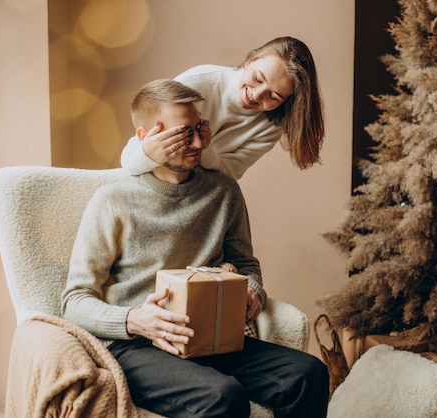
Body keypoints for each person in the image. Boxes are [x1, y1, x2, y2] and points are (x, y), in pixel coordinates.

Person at [62, 78, 329, 418]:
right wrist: (135, 320)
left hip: (207, 338)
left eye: (200, 129)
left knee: (308, 374)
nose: (197, 142)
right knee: (222, 397)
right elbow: (74, 300)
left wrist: (253, 292)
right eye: (182, 133)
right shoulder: (113, 200)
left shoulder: (223, 192)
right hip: (136, 345)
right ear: (146, 138)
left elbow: (246, 264)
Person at [120, 36, 325, 180]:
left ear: (286, 101)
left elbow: (227, 176)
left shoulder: (271, 126)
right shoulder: (197, 83)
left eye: (273, 96)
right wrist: (149, 152)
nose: (256, 94)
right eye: (257, 78)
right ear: (249, 60)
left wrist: (205, 148)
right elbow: (130, 159)